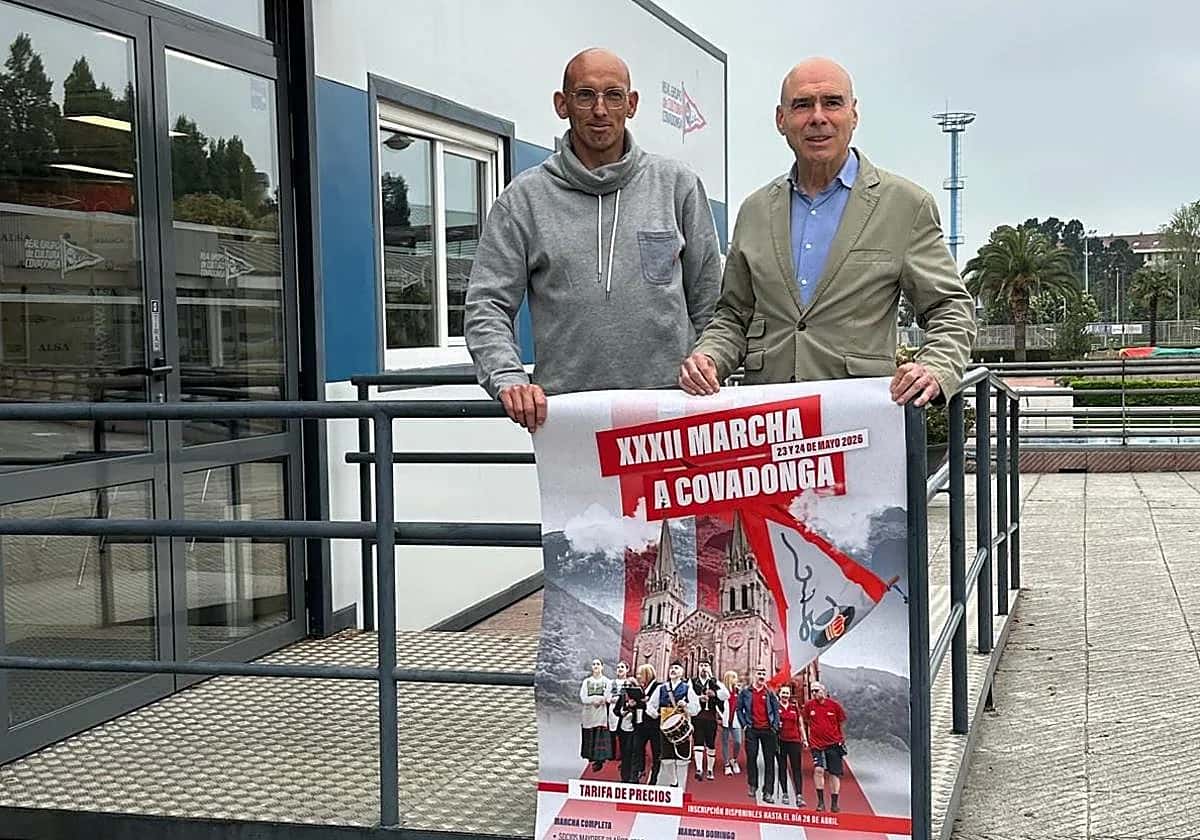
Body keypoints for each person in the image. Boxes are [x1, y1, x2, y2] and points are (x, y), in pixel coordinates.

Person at [678, 57, 975, 407]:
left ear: (854, 114)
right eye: (802, 105)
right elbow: (732, 314)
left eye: (832, 103)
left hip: (861, 423)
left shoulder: (906, 205)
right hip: (773, 424)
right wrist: (709, 357)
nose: (818, 117)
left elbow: (950, 307)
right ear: (781, 119)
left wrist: (935, 367)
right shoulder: (754, 210)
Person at [465, 47, 722, 431]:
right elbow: (486, 305)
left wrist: (708, 366)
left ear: (631, 104)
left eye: (613, 95)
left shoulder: (676, 186)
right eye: (585, 95)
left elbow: (711, 302)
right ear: (562, 104)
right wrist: (509, 378)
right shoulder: (524, 199)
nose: (600, 110)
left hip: (671, 417)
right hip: (569, 424)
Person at [646, 661, 700, 787]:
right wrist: (655, 714)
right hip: (665, 727)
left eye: (676, 668)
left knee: (682, 759)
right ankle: (672, 782)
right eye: (671, 668)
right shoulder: (661, 688)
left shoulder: (687, 688)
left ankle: (681, 787)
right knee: (666, 758)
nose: (673, 670)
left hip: (682, 728)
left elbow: (696, 708)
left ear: (681, 672)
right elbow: (650, 706)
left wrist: (686, 706)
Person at [737, 666, 781, 803]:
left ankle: (768, 792)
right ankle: (752, 785)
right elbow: (739, 710)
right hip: (752, 730)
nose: (761, 675)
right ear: (754, 675)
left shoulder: (770, 693)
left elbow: (776, 710)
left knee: (769, 761)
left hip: (768, 730)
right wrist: (744, 725)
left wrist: (774, 726)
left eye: (763, 673)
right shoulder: (745, 692)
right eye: (759, 673)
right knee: (751, 757)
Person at [803, 681, 848, 812]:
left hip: (834, 744)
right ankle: (821, 802)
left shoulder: (834, 706)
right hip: (817, 744)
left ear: (823, 690)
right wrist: (806, 738)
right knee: (818, 770)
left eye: (816, 690)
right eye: (812, 691)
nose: (814, 693)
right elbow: (803, 719)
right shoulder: (809, 706)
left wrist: (840, 738)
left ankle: (834, 803)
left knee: (834, 774)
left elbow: (841, 721)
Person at [689, 659, 730, 781]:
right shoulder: (692, 682)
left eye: (706, 665)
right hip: (698, 716)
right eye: (701, 665)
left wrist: (714, 694)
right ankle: (699, 769)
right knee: (698, 741)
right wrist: (698, 698)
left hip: (711, 716)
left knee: (710, 743)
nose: (703, 668)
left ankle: (710, 770)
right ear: (698, 668)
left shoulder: (714, 682)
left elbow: (726, 694)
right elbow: (689, 695)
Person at [775, 682, 808, 807]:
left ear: (789, 695)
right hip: (780, 741)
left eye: (787, 693)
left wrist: (804, 739)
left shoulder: (794, 707)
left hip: (794, 741)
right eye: (783, 693)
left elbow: (800, 724)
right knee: (782, 767)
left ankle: (799, 795)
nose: (785, 695)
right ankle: (784, 793)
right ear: (779, 694)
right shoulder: (776, 707)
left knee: (796, 769)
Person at [607, 661, 640, 783]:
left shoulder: (638, 698)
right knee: (625, 754)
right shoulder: (621, 695)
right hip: (623, 729)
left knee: (634, 753)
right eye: (626, 686)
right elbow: (616, 710)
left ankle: (634, 777)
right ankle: (624, 778)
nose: (628, 689)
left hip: (635, 729)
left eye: (630, 686)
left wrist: (635, 706)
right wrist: (622, 712)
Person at [630, 663, 662, 785]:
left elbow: (656, 706)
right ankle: (635, 777)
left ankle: (654, 779)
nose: (638, 676)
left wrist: (644, 702)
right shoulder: (638, 688)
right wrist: (633, 704)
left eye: (640, 674)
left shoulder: (658, 687)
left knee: (656, 753)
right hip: (640, 724)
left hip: (654, 726)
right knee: (636, 750)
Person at [579, 658, 612, 772]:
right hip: (589, 712)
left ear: (602, 666)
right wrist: (593, 700)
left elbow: (608, 696)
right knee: (589, 733)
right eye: (593, 664)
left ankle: (599, 759)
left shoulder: (607, 681)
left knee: (599, 733)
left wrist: (601, 700)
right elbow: (583, 697)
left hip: (600, 712)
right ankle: (589, 756)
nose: (596, 666)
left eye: (598, 664)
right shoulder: (586, 681)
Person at [719, 670, 743, 775]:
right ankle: (726, 764)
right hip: (725, 720)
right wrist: (719, 717)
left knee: (738, 742)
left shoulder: (739, 692)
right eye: (733, 677)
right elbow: (718, 704)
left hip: (736, 720)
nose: (736, 680)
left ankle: (734, 759)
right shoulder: (722, 691)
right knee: (725, 743)